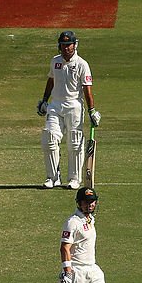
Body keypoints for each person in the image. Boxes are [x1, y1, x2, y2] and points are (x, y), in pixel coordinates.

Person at [36, 30, 101, 189]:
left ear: (75, 45)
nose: (65, 48)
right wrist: (44, 100)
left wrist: (91, 110)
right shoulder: (55, 61)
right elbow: (51, 80)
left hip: (74, 106)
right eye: (63, 45)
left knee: (75, 143)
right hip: (55, 105)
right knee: (49, 138)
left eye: (68, 45)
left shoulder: (82, 64)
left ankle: (74, 178)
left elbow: (87, 89)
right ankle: (53, 177)